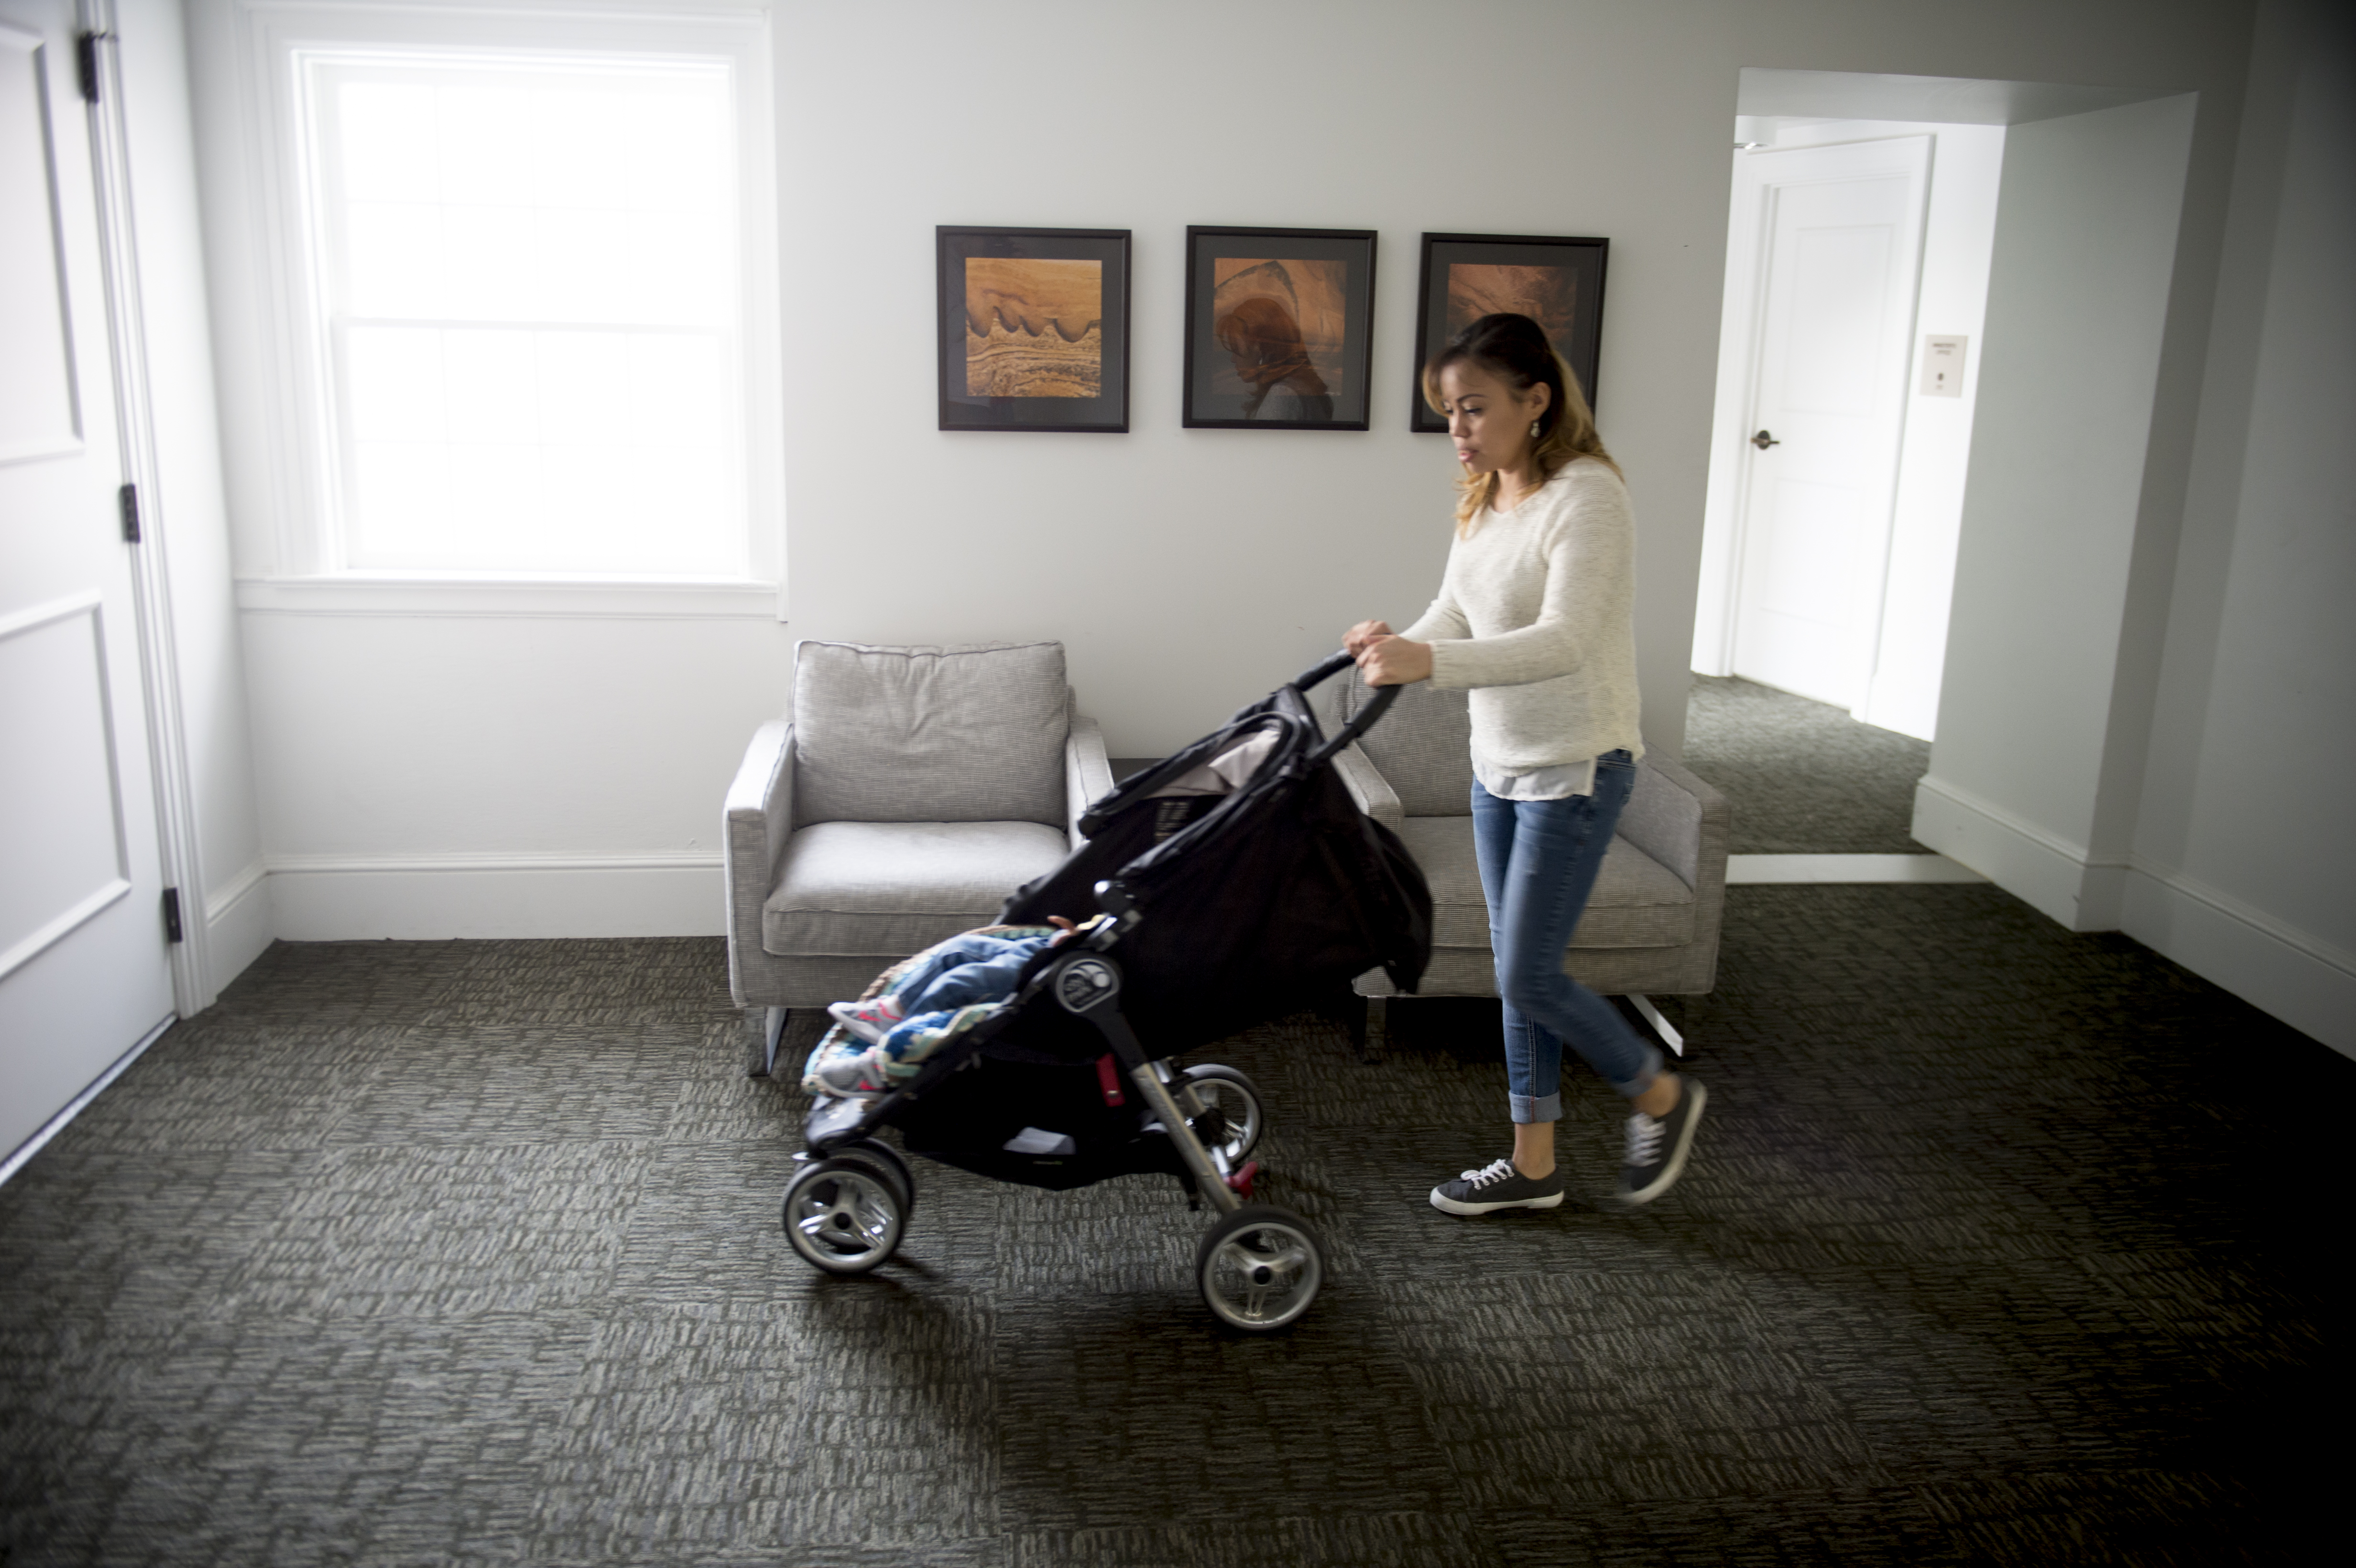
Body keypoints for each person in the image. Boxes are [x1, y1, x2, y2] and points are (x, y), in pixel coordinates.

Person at [1345, 312, 1706, 1214]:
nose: (1456, 431)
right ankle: (1532, 1164)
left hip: (1576, 767)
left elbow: (1564, 641)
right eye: (1447, 411)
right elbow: (1455, 614)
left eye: (1471, 409)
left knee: (1525, 975)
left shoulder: (1588, 496)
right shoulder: (1482, 500)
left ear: (1534, 400)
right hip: (1496, 764)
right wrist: (1399, 642)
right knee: (1524, 978)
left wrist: (1430, 664)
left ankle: (1658, 1091)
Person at [1213, 295, 1334, 421]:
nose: (1233, 359)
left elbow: (1266, 441)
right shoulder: (1299, 386)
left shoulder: (1281, 394)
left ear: (1260, 347)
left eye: (1236, 349)